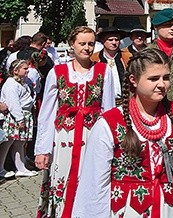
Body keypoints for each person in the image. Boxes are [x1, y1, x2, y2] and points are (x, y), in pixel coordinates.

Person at [72, 48, 173, 217]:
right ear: (133, 80)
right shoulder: (110, 123)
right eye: (153, 79)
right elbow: (95, 183)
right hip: (128, 209)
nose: (162, 84)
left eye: (166, 77)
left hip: (169, 207)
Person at [35, 26, 117, 218]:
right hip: (64, 137)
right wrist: (42, 149)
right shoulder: (58, 72)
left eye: (90, 43)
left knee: (91, 180)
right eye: (82, 43)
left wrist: (113, 144)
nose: (87, 48)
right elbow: (46, 113)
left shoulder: (104, 71)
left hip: (93, 136)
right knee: (62, 178)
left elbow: (110, 110)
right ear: (72, 44)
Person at [0, 59, 38, 178]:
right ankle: (1, 168)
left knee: (20, 143)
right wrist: (20, 119)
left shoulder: (22, 82)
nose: (28, 71)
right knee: (8, 142)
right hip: (15, 117)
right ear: (16, 71)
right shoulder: (11, 83)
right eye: (25, 69)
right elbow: (13, 102)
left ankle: (20, 167)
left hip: (24, 115)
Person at [91, 26, 128, 99]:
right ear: (103, 41)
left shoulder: (127, 57)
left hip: (124, 102)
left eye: (116, 40)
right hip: (102, 102)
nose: (114, 43)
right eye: (110, 40)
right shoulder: (94, 59)